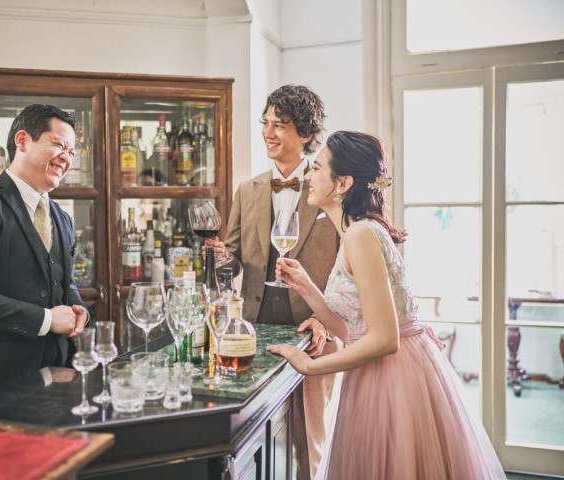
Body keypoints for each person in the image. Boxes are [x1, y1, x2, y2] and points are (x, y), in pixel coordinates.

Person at [267, 131, 506, 479]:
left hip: (393, 376)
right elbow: (353, 332)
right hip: (386, 369)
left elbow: (384, 339)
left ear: (343, 183)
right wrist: (306, 287)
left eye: (316, 168)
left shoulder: (360, 235)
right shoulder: (359, 232)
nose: (307, 176)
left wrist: (309, 365)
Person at [205, 84, 340, 479]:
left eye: (279, 125)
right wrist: (220, 256)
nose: (268, 132)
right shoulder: (247, 190)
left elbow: (344, 266)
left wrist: (325, 320)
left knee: (309, 440)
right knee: (256, 434)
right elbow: (233, 259)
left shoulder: (330, 186)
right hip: (253, 331)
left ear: (306, 133)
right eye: (265, 123)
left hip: (314, 333)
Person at [0, 104, 89, 399]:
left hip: (59, 379)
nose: (67, 157)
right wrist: (47, 320)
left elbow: (66, 284)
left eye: (72, 152)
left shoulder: (63, 218)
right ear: (22, 141)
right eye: (59, 144)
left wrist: (79, 311)